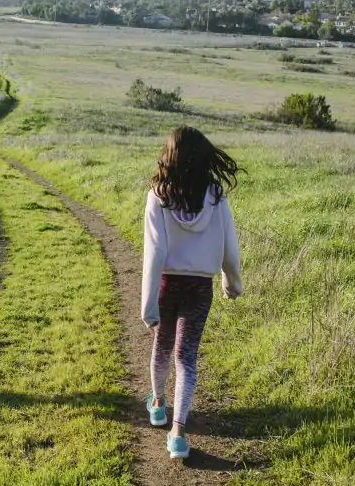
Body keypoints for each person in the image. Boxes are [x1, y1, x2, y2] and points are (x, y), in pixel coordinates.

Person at [141, 125, 243, 459]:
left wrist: (148, 305)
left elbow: (154, 253)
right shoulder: (215, 195)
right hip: (200, 287)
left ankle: (158, 404)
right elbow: (229, 246)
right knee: (186, 357)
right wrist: (232, 281)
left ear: (169, 156)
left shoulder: (158, 195)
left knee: (162, 345)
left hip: (167, 284)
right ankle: (178, 434)